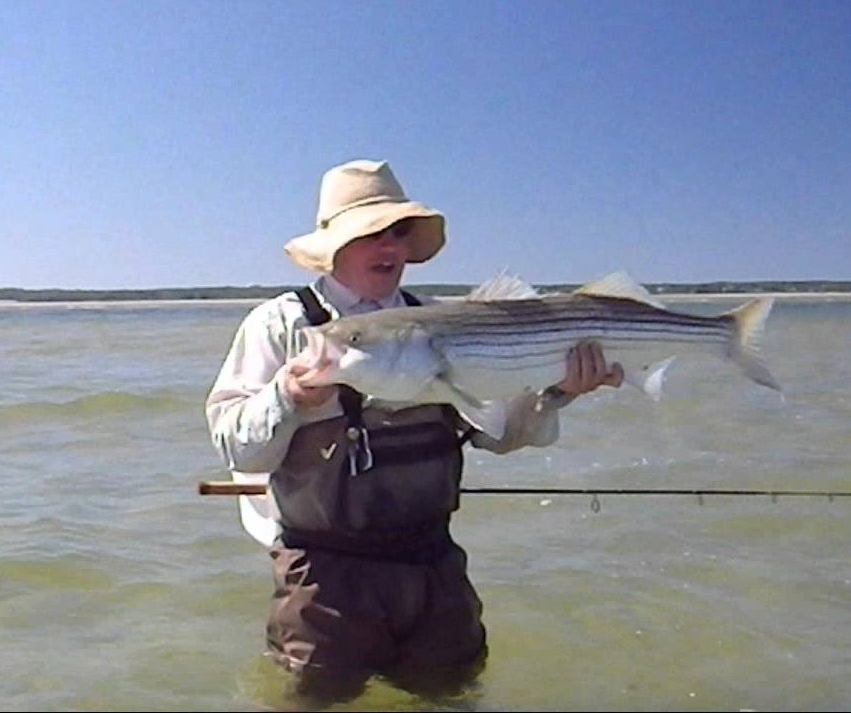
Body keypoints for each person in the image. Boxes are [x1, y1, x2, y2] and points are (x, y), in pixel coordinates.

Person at [204, 159, 623, 705]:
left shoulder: (450, 320)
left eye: (398, 232)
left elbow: (499, 433)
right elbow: (237, 447)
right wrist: (289, 397)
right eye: (370, 233)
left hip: (433, 568)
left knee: (453, 696)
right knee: (314, 700)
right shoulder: (281, 326)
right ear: (334, 246)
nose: (389, 246)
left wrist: (558, 391)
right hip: (323, 578)